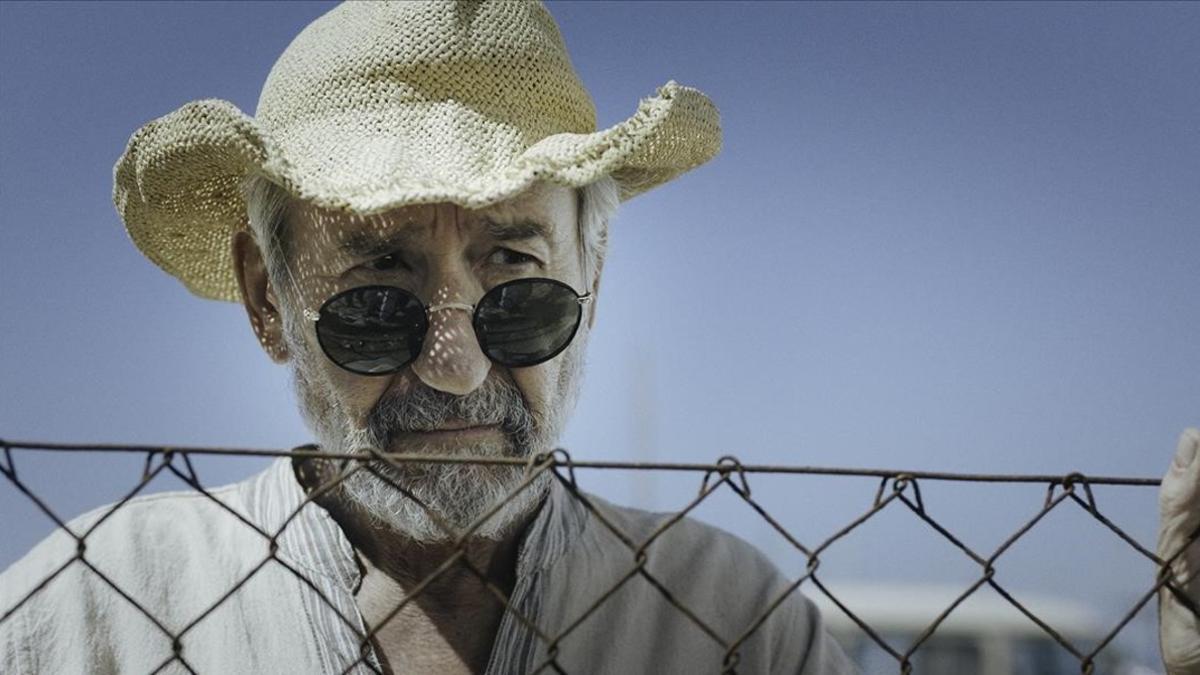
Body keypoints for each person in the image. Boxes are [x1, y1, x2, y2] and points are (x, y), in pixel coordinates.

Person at [1, 3, 1196, 675]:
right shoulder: (87, 613)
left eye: (518, 282)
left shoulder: (727, 620)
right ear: (268, 298)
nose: (457, 366)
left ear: (596, 273)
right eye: (377, 291)